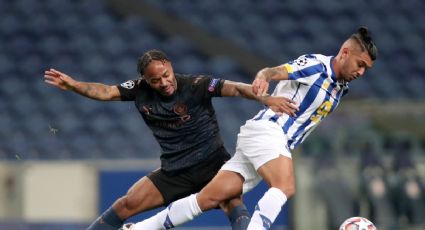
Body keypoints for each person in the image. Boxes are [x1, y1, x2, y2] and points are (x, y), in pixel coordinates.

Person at [126, 26, 378, 230]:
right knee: (286, 186)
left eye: (366, 68)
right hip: (269, 132)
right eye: (360, 64)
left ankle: (139, 229)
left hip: (266, 140)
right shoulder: (316, 66)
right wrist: (263, 76)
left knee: (207, 199)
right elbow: (276, 71)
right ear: (344, 52)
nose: (361, 72)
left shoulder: (339, 87)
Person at [43, 49, 298, 230]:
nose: (164, 83)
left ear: (170, 65)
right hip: (174, 171)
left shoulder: (196, 84)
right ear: (146, 80)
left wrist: (265, 98)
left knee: (233, 204)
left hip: (214, 166)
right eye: (156, 80)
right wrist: (74, 85)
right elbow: (106, 92)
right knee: (126, 204)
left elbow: (237, 88)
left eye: (166, 74)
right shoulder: (138, 90)